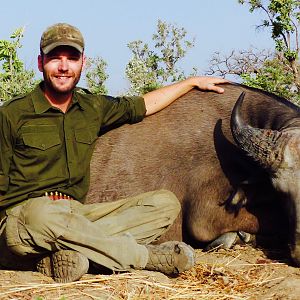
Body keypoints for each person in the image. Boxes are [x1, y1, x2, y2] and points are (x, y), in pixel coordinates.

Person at [0, 23, 228, 283]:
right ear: (41, 63)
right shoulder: (12, 114)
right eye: (55, 58)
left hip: (77, 215)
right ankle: (146, 258)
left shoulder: (92, 107)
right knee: (41, 215)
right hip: (25, 220)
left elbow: (142, 105)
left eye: (72, 58)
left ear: (83, 63)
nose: (64, 67)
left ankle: (71, 254)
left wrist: (190, 82)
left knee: (164, 204)